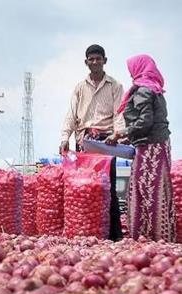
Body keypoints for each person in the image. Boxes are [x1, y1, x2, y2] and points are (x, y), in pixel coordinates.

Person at [105, 54, 174, 242]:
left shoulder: (144, 90)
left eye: (131, 69)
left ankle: (147, 236)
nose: (130, 74)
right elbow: (149, 123)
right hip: (158, 145)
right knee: (157, 189)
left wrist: (120, 133)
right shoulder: (156, 89)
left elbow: (145, 121)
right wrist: (130, 137)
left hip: (149, 149)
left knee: (145, 191)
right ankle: (160, 235)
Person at [59, 44, 124, 241]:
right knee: (84, 186)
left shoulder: (115, 86)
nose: (95, 62)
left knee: (108, 187)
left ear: (105, 60)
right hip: (84, 141)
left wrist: (118, 133)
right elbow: (71, 115)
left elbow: (119, 113)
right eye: (91, 59)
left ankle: (113, 236)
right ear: (86, 62)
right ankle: (84, 233)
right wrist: (64, 137)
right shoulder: (80, 87)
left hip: (106, 141)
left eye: (98, 58)